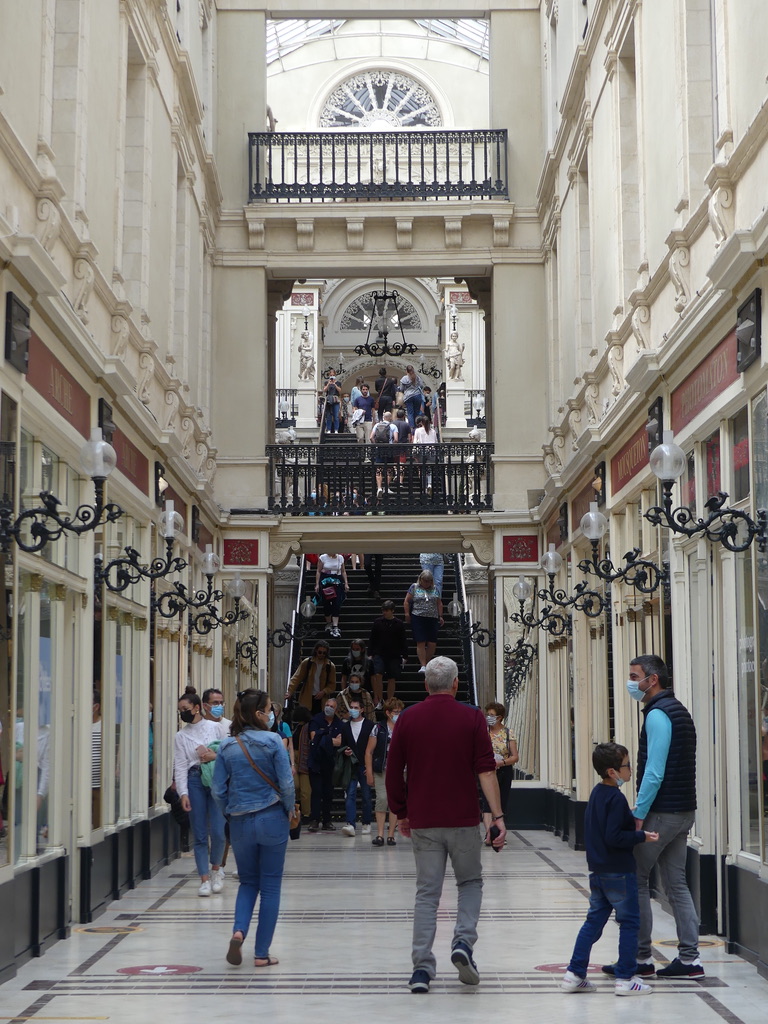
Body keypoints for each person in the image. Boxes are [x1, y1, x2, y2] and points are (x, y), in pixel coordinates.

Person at [386, 656, 506, 993]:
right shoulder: (472, 718)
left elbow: (393, 771)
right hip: (463, 819)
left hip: (424, 820)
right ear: (455, 684)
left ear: (426, 685)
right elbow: (486, 770)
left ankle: (421, 970)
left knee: (427, 893)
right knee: (469, 883)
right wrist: (497, 818)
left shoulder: (408, 718)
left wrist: (401, 811)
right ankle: (463, 944)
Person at [611, 655, 703, 980]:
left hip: (662, 813)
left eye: (635, 676)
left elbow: (654, 772)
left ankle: (640, 958)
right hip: (683, 810)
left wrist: (639, 812)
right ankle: (690, 960)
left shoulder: (658, 715)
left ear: (652, 680)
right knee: (676, 883)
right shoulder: (678, 710)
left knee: (635, 877)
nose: (631, 682)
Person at [561, 742, 658, 996]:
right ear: (613, 772)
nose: (630, 770)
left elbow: (604, 826)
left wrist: (627, 814)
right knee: (629, 923)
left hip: (599, 871)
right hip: (619, 871)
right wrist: (641, 837)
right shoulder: (616, 797)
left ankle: (574, 973)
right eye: (626, 766)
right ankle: (626, 979)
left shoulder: (597, 793)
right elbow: (614, 836)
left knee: (593, 922)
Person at [211, 689, 294, 968]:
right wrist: (289, 810)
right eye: (269, 708)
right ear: (259, 713)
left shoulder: (227, 746)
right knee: (270, 886)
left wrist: (230, 813)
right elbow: (286, 783)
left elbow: (218, 790)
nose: (272, 713)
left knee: (248, 882)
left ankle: (238, 931)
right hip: (272, 818)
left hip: (240, 821)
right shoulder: (273, 741)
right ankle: (261, 953)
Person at [174, 692, 229, 897]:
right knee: (198, 833)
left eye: (185, 709)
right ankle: (204, 878)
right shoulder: (180, 736)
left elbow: (227, 753)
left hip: (214, 779)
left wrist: (212, 755)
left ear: (197, 708)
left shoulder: (216, 728)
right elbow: (180, 765)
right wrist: (183, 792)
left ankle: (216, 869)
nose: (183, 713)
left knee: (217, 830)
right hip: (194, 779)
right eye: (180, 711)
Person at [365, 697, 403, 846]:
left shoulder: (404, 727)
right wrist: (369, 771)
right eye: (395, 712)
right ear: (387, 712)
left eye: (400, 712)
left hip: (399, 770)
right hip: (381, 768)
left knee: (394, 801)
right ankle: (380, 833)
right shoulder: (378, 728)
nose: (398, 714)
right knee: (382, 798)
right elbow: (369, 751)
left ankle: (391, 834)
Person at [480, 703, 518, 841]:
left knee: (501, 801)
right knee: (486, 803)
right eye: (487, 715)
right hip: (487, 770)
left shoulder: (508, 733)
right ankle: (489, 834)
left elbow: (515, 756)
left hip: (504, 770)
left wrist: (501, 762)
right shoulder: (483, 732)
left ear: (500, 717)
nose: (488, 718)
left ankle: (498, 831)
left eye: (491, 715)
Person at [339, 695, 375, 837]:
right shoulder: (346, 726)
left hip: (365, 765)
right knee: (350, 794)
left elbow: (373, 748)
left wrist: (370, 766)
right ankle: (351, 823)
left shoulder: (369, 725)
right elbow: (342, 746)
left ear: (362, 709)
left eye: (355, 708)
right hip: (351, 765)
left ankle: (366, 822)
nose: (353, 710)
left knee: (366, 795)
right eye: (351, 708)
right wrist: (345, 751)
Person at [307, 697, 343, 832]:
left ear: (336, 709)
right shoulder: (316, 720)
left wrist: (323, 737)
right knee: (316, 792)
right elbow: (313, 738)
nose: (328, 708)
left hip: (331, 763)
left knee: (328, 792)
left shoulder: (339, 723)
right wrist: (329, 739)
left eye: (332, 706)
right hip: (316, 762)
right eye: (327, 705)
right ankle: (314, 820)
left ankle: (327, 820)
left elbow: (340, 742)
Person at [368, 600, 409, 706]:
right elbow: (372, 638)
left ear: (392, 611)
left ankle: (389, 701)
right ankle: (380, 699)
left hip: (394, 654)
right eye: (383, 610)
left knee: (392, 677)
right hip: (379, 653)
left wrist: (405, 655)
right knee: (378, 674)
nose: (384, 612)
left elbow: (403, 639)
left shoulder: (399, 624)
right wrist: (370, 653)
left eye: (386, 610)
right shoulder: (377, 622)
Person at [404, 570, 443, 675]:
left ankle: (426, 662)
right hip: (418, 616)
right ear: (420, 579)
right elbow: (407, 601)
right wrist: (407, 614)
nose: (426, 583)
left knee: (432, 642)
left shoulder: (435, 589)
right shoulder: (414, 587)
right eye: (424, 580)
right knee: (420, 641)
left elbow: (439, 603)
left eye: (429, 581)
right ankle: (423, 665)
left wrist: (440, 616)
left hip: (432, 617)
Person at [285, 640, 336, 714]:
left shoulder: (330, 666)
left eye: (324, 653)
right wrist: (290, 692)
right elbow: (297, 678)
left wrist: (324, 692)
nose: (321, 654)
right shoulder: (308, 662)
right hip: (307, 697)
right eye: (319, 652)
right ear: (316, 651)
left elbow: (332, 684)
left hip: (321, 699)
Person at [315, 552, 349, 638]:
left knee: (336, 603)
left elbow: (343, 571)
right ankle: (328, 623)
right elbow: (318, 571)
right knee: (326, 603)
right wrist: (317, 584)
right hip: (325, 581)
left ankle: (335, 626)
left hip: (336, 581)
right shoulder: (323, 557)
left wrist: (346, 583)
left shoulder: (340, 558)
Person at [413, 415, 438, 495]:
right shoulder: (433, 431)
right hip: (431, 450)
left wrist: (414, 453)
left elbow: (415, 442)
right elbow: (436, 442)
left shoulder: (418, 430)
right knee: (429, 469)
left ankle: (424, 487)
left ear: (422, 422)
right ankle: (430, 483)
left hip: (422, 451)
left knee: (423, 469)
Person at [399, 365, 425, 430]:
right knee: (417, 412)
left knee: (410, 413)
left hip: (408, 396)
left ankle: (411, 428)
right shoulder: (417, 377)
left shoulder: (404, 378)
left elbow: (401, 389)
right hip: (417, 395)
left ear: (406, 371)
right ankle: (417, 426)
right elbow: (421, 386)